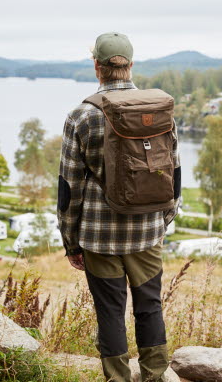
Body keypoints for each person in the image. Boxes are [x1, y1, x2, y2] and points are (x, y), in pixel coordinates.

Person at [57, 32, 181, 382]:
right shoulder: (158, 109)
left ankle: (117, 379)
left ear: (96, 66)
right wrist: (161, 221)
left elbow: (69, 188)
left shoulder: (81, 116)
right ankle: (155, 375)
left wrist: (72, 241)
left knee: (110, 313)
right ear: (130, 65)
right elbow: (175, 172)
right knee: (149, 306)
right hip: (147, 231)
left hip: (99, 237)